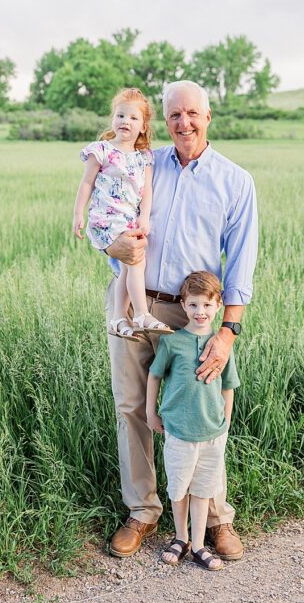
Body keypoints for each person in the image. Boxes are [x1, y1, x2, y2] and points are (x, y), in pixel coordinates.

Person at [104, 80, 257, 561]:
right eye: (174, 116)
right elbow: (105, 217)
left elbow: (240, 266)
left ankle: (216, 518)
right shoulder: (143, 165)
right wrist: (111, 245)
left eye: (192, 113)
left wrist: (227, 332)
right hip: (131, 301)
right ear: (162, 121)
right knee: (132, 406)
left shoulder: (235, 181)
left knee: (204, 415)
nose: (183, 123)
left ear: (209, 116)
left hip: (192, 315)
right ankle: (143, 511)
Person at [146, 271, 238, 571]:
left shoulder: (221, 345)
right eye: (194, 305)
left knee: (202, 489)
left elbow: (228, 385)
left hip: (212, 433)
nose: (201, 312)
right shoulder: (173, 343)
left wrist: (225, 419)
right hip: (179, 430)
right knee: (179, 487)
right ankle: (181, 537)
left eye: (208, 305)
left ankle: (198, 544)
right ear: (183, 306)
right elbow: (155, 375)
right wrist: (151, 412)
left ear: (218, 306)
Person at [73, 88, 173, 339]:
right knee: (136, 260)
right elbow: (86, 183)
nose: (125, 122)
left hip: (128, 219)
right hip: (106, 218)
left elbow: (147, 190)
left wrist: (144, 217)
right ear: (112, 119)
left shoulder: (144, 157)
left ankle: (118, 317)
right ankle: (140, 312)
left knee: (127, 267)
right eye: (120, 116)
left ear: (143, 126)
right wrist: (78, 214)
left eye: (132, 118)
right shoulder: (102, 150)